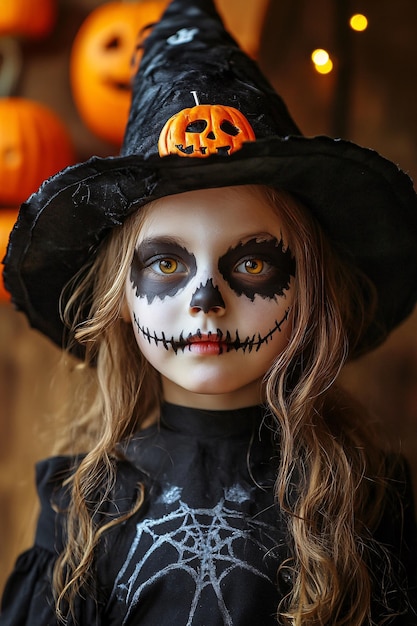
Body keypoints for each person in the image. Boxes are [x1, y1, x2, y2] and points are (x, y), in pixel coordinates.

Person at [1, 0, 417, 624]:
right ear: (121, 294)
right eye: (167, 264)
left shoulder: (368, 498)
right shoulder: (84, 508)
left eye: (250, 264)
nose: (206, 301)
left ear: (309, 285)